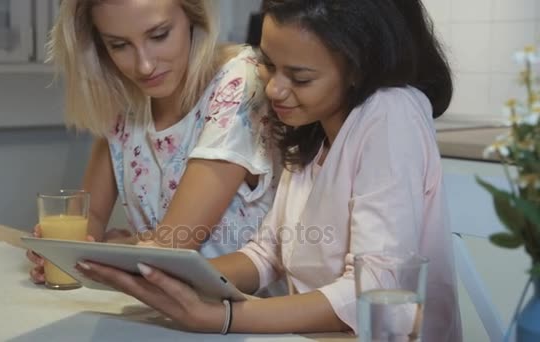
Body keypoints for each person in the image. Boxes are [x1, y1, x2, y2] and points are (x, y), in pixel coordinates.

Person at [76, 0, 462, 340]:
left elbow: (377, 289)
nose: (274, 89)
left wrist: (224, 316)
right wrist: (171, 280)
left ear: (358, 67)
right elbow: (267, 253)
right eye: (268, 64)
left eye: (300, 77)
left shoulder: (391, 113)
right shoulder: (310, 125)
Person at [27, 0, 280, 284]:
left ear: (193, 16)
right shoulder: (128, 101)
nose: (144, 66)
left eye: (159, 35)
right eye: (119, 45)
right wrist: (58, 252)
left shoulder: (240, 82)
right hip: (162, 312)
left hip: (251, 318)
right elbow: (91, 220)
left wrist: (115, 248)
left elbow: (171, 248)